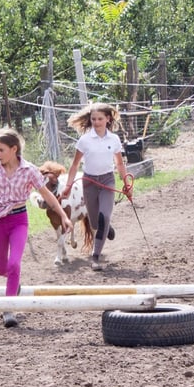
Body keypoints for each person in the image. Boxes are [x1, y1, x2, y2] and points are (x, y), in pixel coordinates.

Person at [0, 127, 72, 327]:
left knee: (14, 265)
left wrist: (63, 216)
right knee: (1, 268)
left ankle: (9, 309)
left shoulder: (29, 170)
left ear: (14, 149)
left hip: (19, 220)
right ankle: (14, 284)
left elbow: (46, 195)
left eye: (1, 150)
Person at [61, 102, 133, 271]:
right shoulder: (85, 140)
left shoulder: (114, 139)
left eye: (100, 119)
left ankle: (96, 256)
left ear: (108, 119)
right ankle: (106, 227)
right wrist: (68, 186)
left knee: (103, 217)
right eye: (93, 119)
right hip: (89, 183)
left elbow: (120, 164)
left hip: (107, 181)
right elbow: (74, 165)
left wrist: (126, 184)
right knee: (94, 221)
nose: (96, 122)